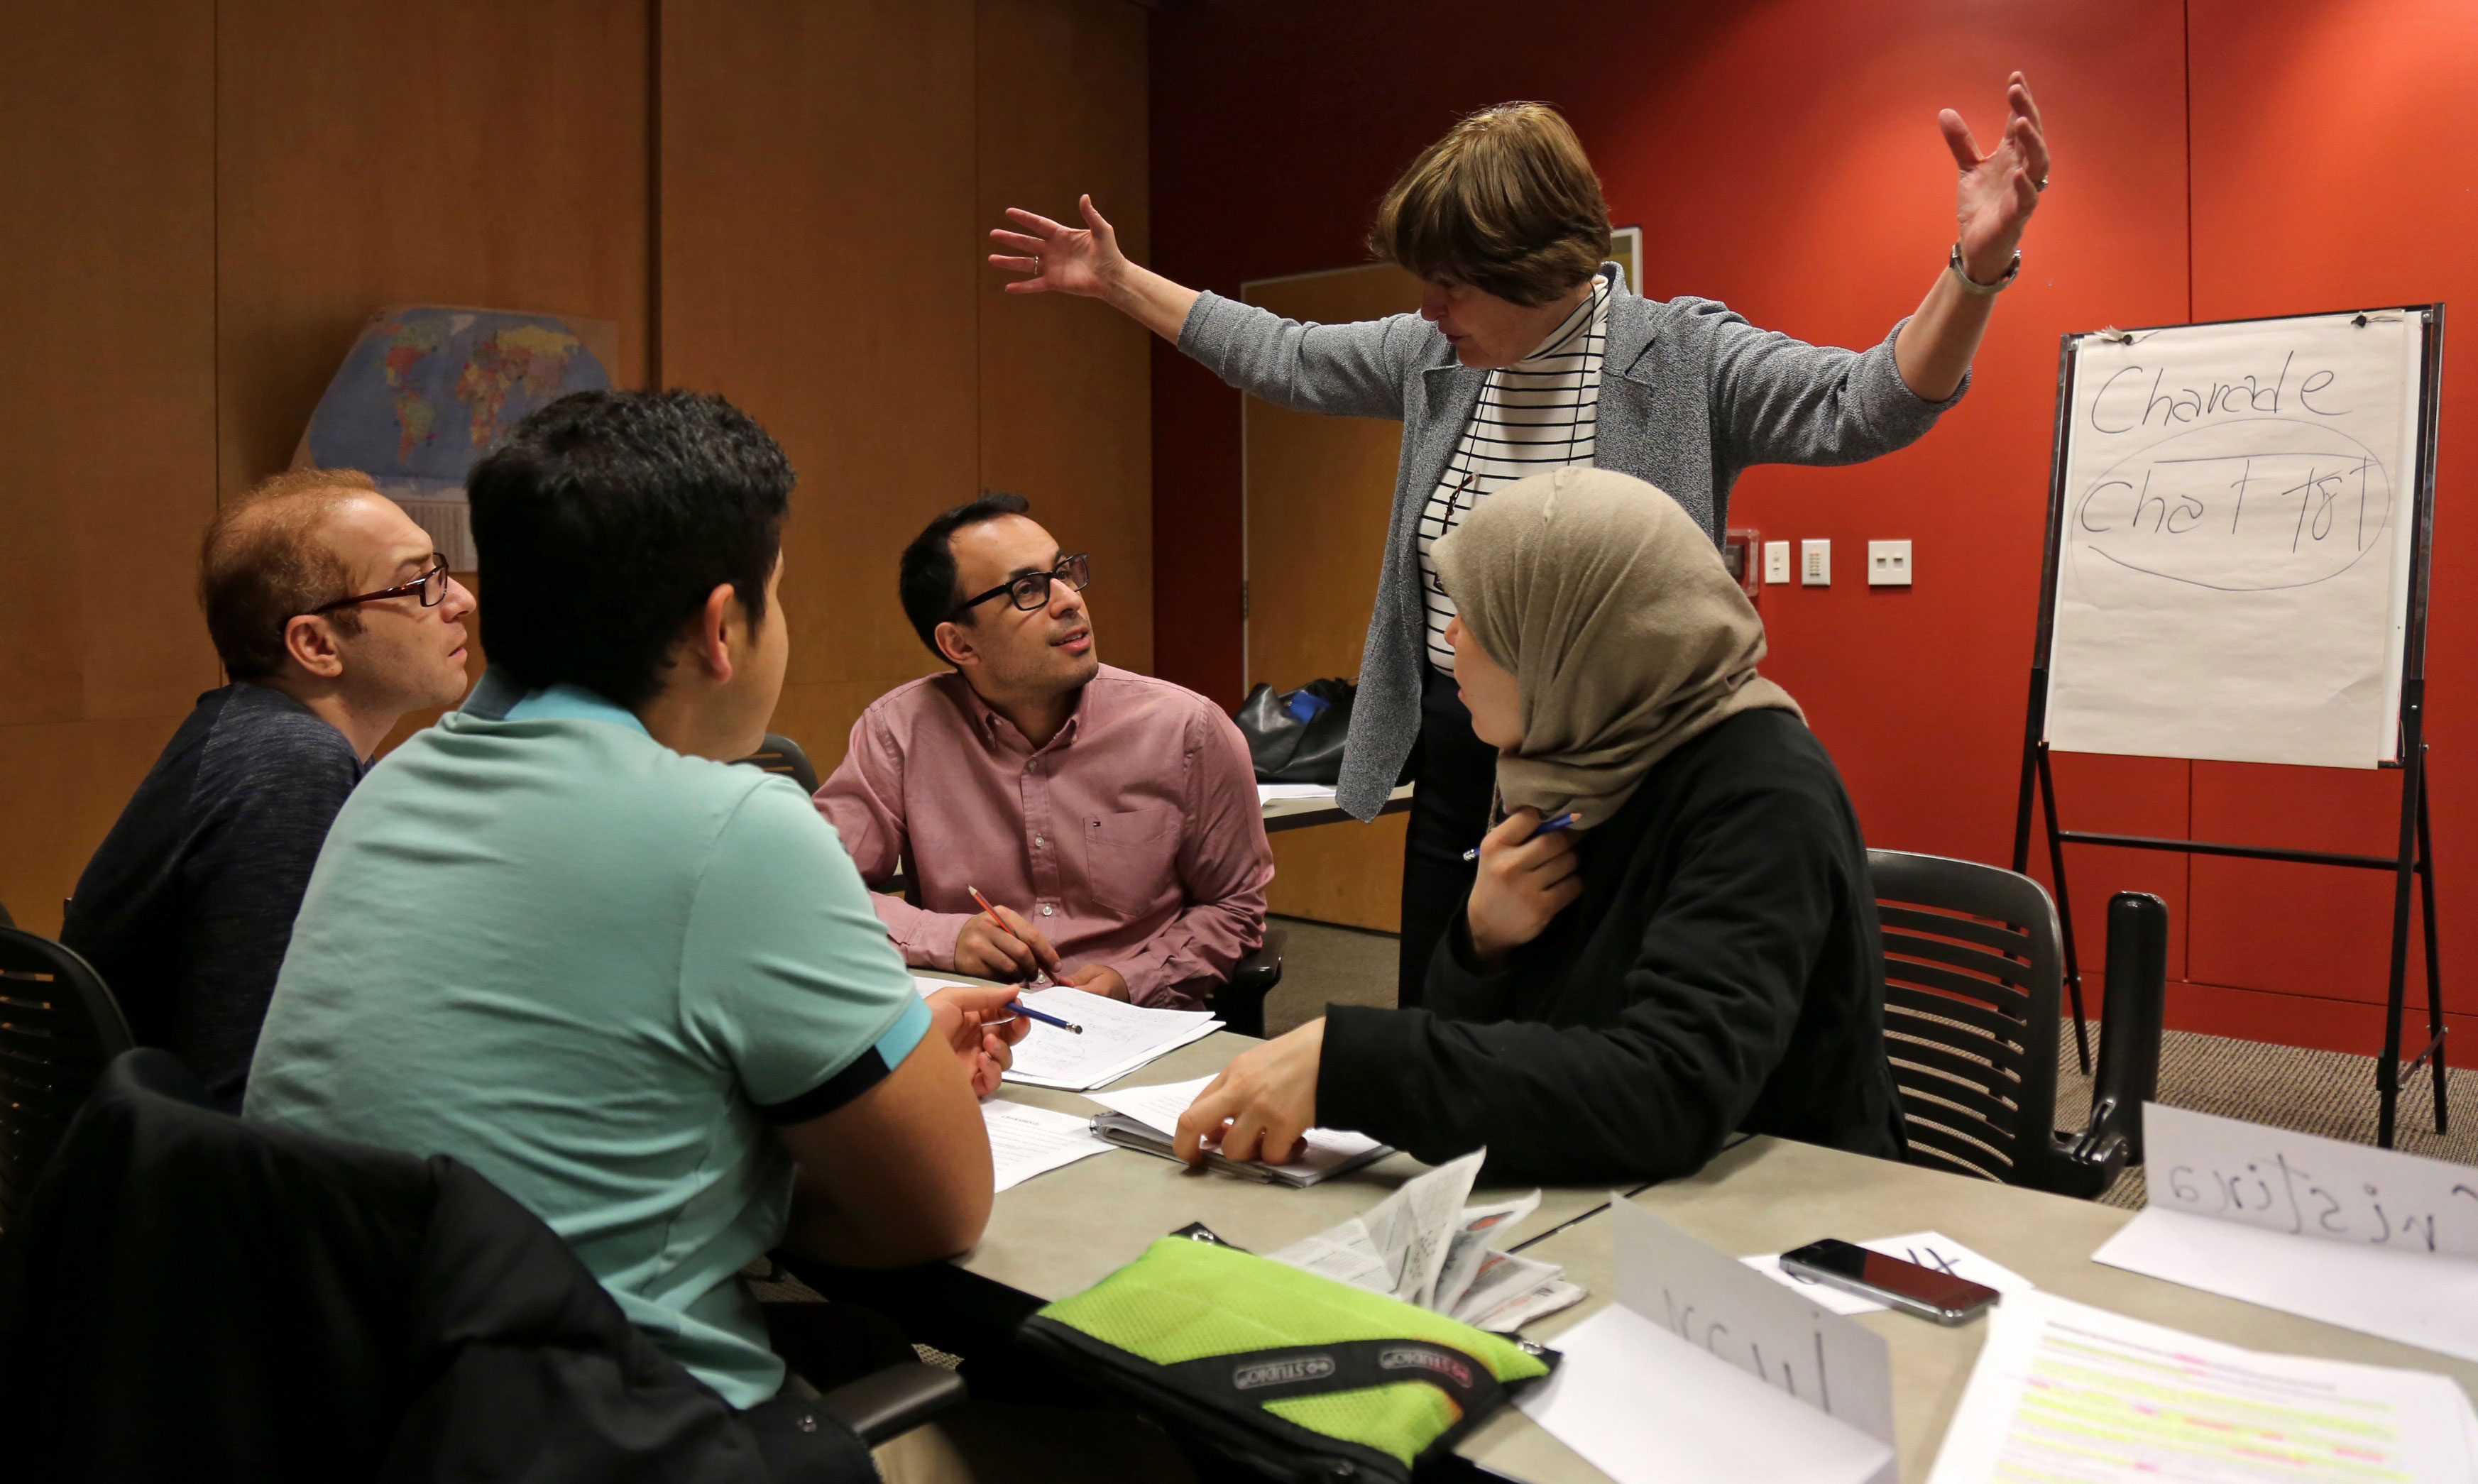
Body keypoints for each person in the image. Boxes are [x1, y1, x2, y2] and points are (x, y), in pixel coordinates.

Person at [990, 81, 2050, 1010]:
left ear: (1537, 266)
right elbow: (1286, 354)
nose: (1425, 306)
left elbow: (1866, 402)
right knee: (1443, 1005)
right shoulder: (1432, 357)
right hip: (1458, 744)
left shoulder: (1679, 357)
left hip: (1617, 765)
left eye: (1451, 282)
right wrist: (1120, 282)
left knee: (1593, 1015)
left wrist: (1974, 266)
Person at [245, 391, 1027, 1419]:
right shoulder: (736, 825)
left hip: (356, 1406)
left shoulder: (391, 783)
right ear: (721, 628)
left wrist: (887, 1054)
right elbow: (933, 1210)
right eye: (775, 595)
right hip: (598, 1426)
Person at [1170, 468, 1905, 1185]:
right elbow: (1504, 1055)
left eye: (1482, 618)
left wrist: (1350, 1061)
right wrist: (1481, 945)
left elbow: (1667, 1093)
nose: (1451, 635)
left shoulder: (1762, 790)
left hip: (1773, 1219)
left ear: (1571, 640)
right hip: (1604, 1194)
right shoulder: (1575, 753)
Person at [62, 468, 476, 1111]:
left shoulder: (256, 734)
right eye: (418, 581)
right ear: (315, 643)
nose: (459, 601)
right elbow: (248, 1085)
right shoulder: (286, 762)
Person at [815, 492, 1273, 1011]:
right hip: (979, 1027)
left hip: (1142, 1028)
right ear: (960, 645)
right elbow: (815, 889)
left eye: (1063, 572)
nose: (1069, 600)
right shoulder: (899, 732)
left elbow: (1233, 905)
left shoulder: (1186, 729)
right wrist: (948, 937)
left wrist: (1133, 980)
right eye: (1027, 589)